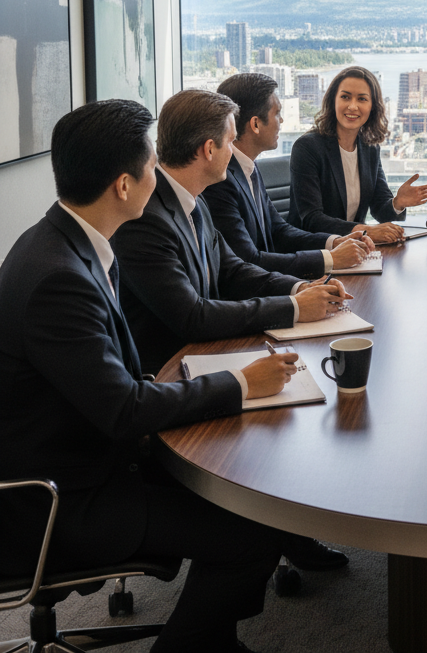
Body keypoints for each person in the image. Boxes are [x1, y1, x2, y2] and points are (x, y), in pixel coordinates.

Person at [0, 99, 296, 653]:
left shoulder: (64, 242)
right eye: (152, 164)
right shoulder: (58, 278)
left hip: (86, 457)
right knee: (253, 530)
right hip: (60, 500)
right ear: (123, 185)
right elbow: (123, 411)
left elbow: (104, 379)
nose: (158, 174)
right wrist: (241, 384)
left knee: (246, 482)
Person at [112, 89, 349, 376]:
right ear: (209, 149)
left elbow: (232, 270)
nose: (234, 151)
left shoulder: (194, 198)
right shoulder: (144, 220)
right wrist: (293, 307)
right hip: (172, 375)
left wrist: (298, 288)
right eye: (230, 141)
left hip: (210, 352)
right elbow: (193, 317)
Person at [205, 73, 373, 277]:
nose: (281, 120)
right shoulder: (221, 181)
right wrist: (331, 259)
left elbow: (279, 231)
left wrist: (335, 242)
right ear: (255, 124)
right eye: (277, 113)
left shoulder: (248, 166)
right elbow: (249, 260)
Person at [288, 66, 427, 243]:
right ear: (333, 100)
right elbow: (311, 219)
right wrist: (365, 231)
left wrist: (398, 203)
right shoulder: (308, 147)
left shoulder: (370, 148)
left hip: (355, 249)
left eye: (362, 99)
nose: (353, 106)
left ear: (372, 106)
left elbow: (380, 209)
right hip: (315, 250)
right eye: (345, 97)